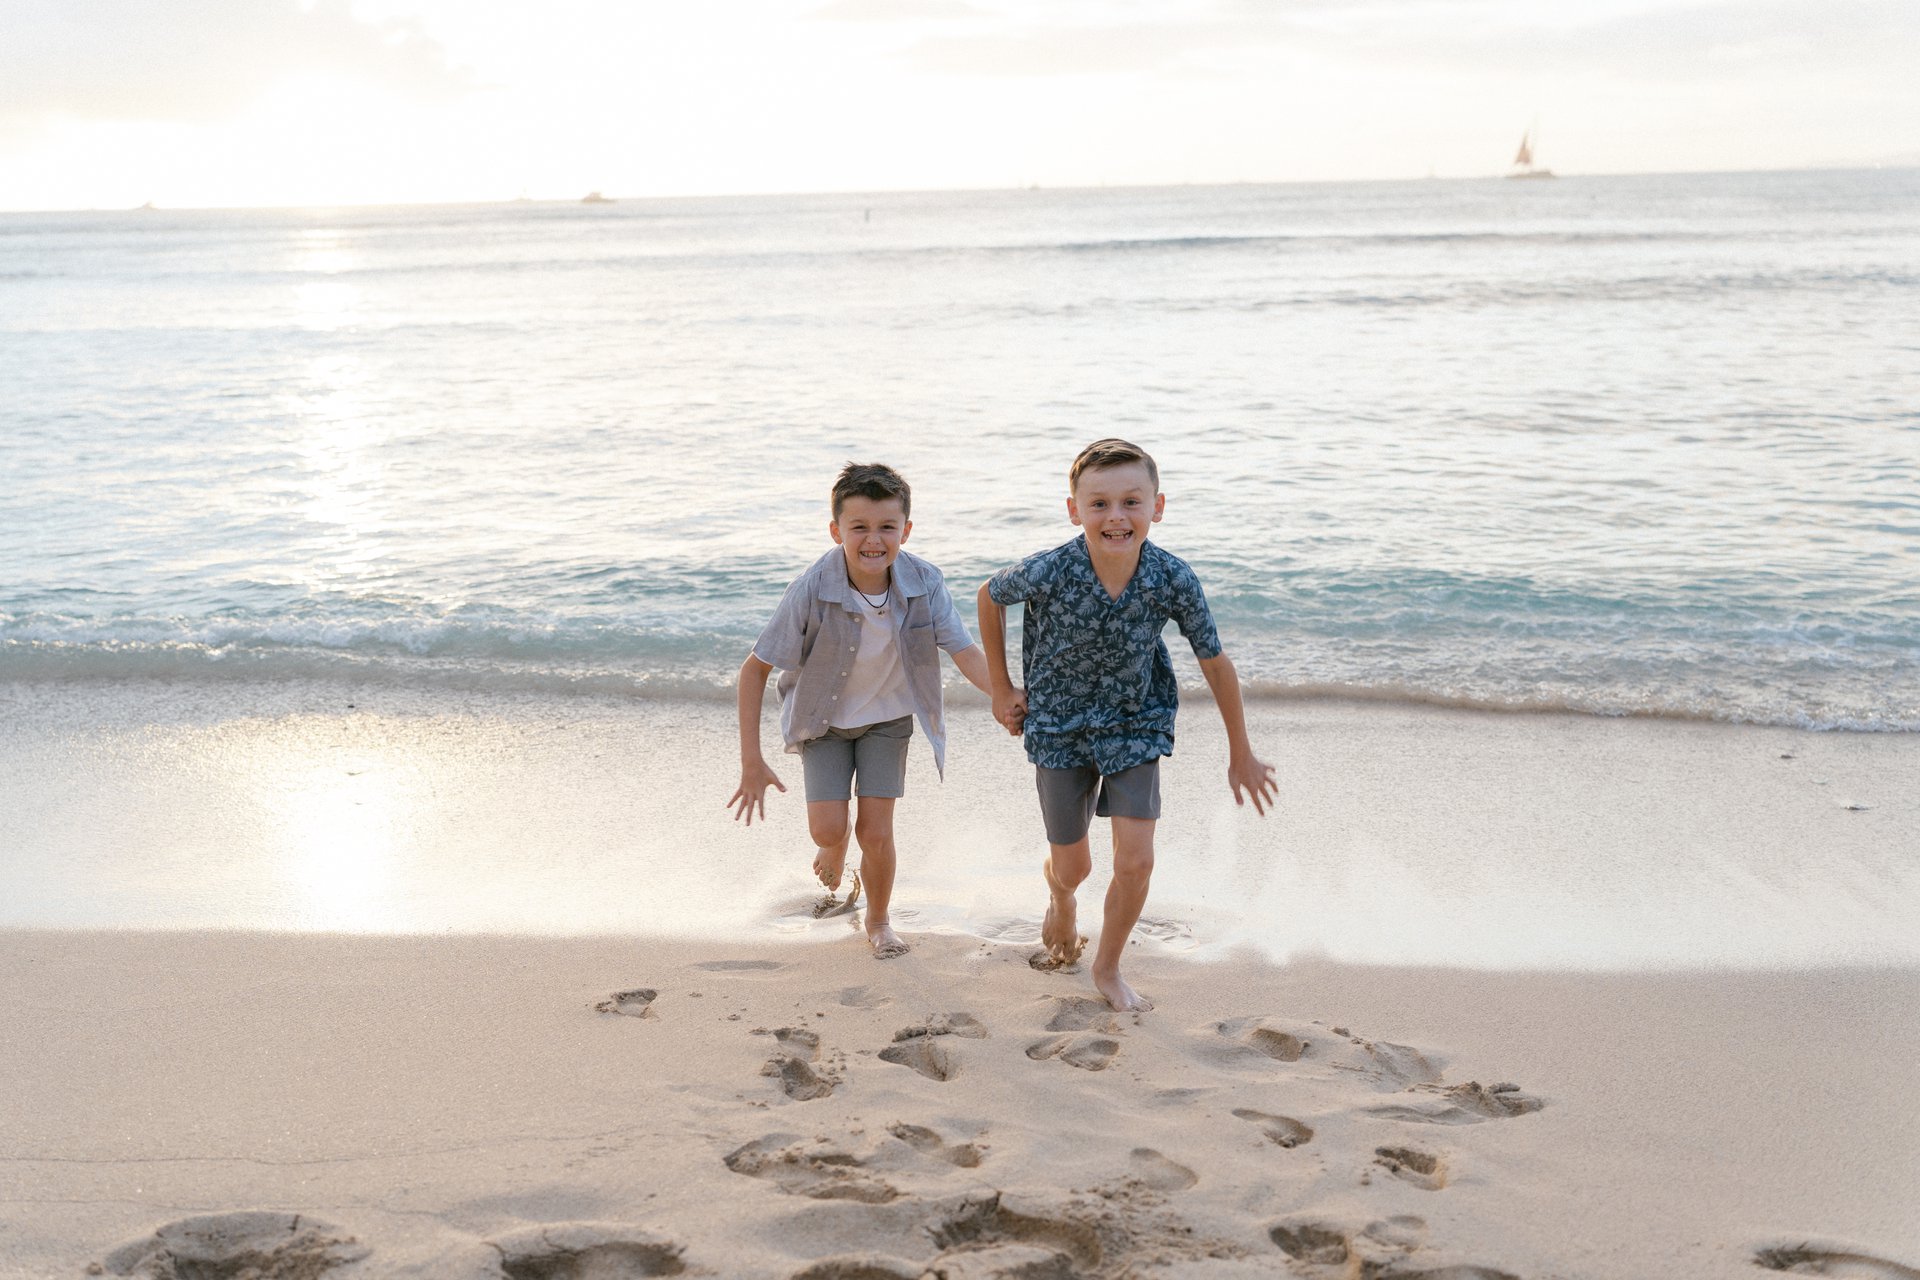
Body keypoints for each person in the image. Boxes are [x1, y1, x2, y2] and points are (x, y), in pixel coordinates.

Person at [977, 438, 1277, 1010]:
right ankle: (1061, 899)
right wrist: (1002, 687)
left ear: (1156, 507)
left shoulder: (1172, 577)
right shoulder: (1050, 569)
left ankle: (1108, 969)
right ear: (1075, 510)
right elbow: (989, 596)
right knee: (1074, 867)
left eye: (1131, 502)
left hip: (1136, 723)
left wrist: (1241, 751)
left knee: (1137, 860)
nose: (1116, 516)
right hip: (1058, 725)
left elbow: (1215, 662)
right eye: (1099, 504)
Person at [731, 462, 994, 958]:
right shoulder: (812, 587)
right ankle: (833, 843)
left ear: (905, 531)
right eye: (859, 528)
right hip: (822, 724)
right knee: (828, 829)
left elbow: (963, 649)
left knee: (875, 832)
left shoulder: (925, 581)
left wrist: (1004, 696)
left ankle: (878, 920)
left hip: (888, 722)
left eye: (887, 527)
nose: (874, 540)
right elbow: (754, 669)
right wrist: (752, 759)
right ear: (836, 531)